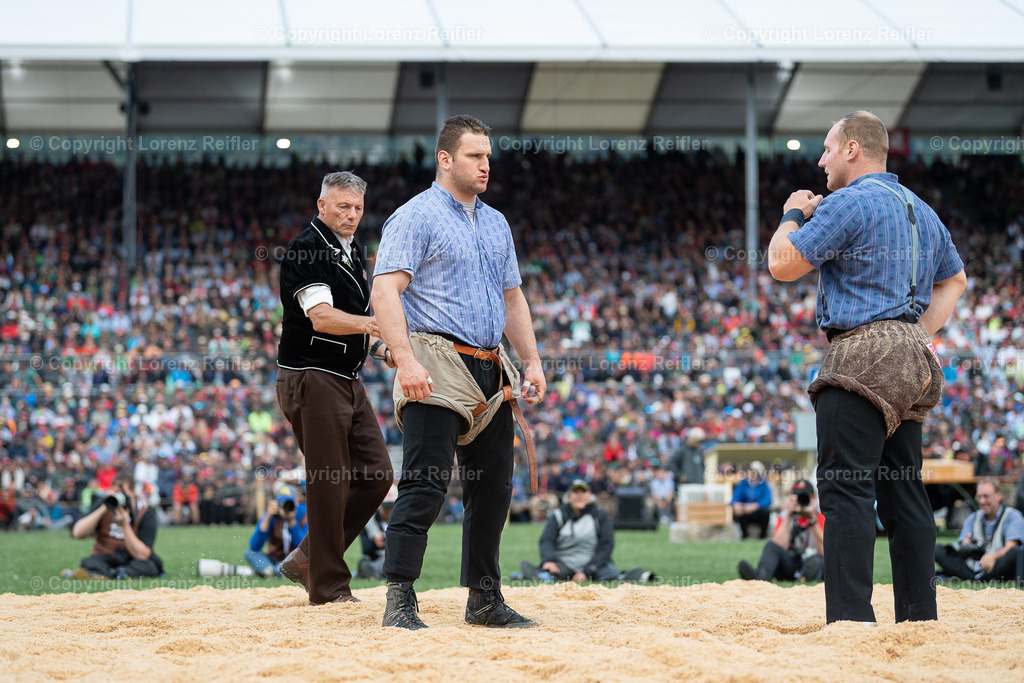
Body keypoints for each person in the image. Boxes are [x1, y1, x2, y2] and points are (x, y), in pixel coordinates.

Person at [768, 110, 967, 624]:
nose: (821, 160)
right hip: (912, 357)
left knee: (845, 487)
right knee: (904, 490)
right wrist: (916, 335)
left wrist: (793, 213)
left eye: (828, 149)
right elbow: (956, 280)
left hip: (860, 352)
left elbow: (782, 264)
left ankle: (852, 621)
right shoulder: (921, 207)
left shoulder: (848, 201)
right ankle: (919, 617)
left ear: (853, 149)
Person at [372, 114, 546, 630]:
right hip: (435, 359)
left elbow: (512, 297)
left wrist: (532, 360)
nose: (485, 164)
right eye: (475, 155)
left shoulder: (496, 222)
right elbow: (385, 291)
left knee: (493, 488)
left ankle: (484, 600)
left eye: (488, 155)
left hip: (491, 363)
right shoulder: (414, 216)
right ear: (445, 159)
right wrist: (405, 361)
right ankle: (400, 598)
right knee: (425, 483)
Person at [275, 171, 395, 605]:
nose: (351, 214)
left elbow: (350, 324)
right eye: (342, 206)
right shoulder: (307, 249)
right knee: (330, 480)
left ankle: (309, 558)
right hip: (311, 376)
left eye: (358, 208)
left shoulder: (350, 249)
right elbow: (322, 317)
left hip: (346, 377)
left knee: (378, 474)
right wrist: (377, 324)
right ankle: (328, 589)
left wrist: (380, 349)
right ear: (321, 205)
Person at [518, 479, 650, 583]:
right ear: (569, 496)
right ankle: (541, 576)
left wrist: (587, 571)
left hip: (593, 563)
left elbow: (606, 545)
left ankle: (621, 578)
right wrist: (548, 560)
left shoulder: (600, 515)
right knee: (553, 572)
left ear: (590, 496)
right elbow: (547, 540)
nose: (580, 495)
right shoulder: (558, 515)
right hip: (564, 563)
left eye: (583, 492)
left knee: (606, 573)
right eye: (576, 492)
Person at [65, 471, 163, 579]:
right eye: (117, 493)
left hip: (130, 558)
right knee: (90, 562)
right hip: (105, 556)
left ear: (133, 491)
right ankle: (113, 573)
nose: (120, 498)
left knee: (149, 566)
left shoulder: (144, 513)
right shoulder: (104, 505)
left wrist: (125, 526)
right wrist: (105, 506)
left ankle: (107, 573)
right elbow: (78, 533)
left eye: (123, 493)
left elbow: (142, 554)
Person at [934, 479, 1024, 582]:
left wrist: (993, 556)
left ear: (998, 496)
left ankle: (972, 578)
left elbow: (1012, 546)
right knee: (938, 550)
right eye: (979, 497)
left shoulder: (1012, 516)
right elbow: (961, 546)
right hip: (973, 566)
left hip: (998, 564)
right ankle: (978, 578)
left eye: (986, 496)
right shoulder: (973, 517)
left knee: (1015, 552)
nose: (981, 501)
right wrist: (965, 545)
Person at [738, 479, 824, 582]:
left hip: (812, 560)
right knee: (770, 546)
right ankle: (760, 578)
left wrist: (812, 520)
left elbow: (824, 551)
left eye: (805, 497)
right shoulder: (784, 516)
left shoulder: (821, 516)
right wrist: (788, 515)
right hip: (790, 563)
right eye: (797, 497)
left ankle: (805, 578)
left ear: (813, 498)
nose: (801, 501)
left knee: (818, 561)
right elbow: (778, 545)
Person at [245, 489, 308, 578]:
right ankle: (271, 570)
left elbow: (303, 548)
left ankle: (267, 571)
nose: (286, 507)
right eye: (282, 504)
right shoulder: (272, 514)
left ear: (296, 503)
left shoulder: (303, 512)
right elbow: (254, 546)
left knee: (303, 560)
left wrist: (292, 522)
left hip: (294, 560)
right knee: (249, 553)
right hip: (274, 558)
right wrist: (268, 517)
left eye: (289, 503)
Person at [357, 486, 398, 581]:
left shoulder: (401, 521)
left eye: (391, 508)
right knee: (369, 561)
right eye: (386, 508)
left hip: (396, 559)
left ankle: (374, 571)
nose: (388, 512)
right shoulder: (370, 521)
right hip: (377, 558)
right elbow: (366, 550)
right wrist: (375, 542)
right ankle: (374, 570)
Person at [731, 461, 772, 539]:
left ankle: (762, 536)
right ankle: (745, 535)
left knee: (766, 512)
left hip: (758, 512)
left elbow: (768, 500)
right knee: (739, 512)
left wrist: (755, 506)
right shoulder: (742, 484)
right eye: (750, 470)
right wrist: (736, 505)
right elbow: (735, 498)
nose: (751, 473)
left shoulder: (764, 484)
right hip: (745, 511)